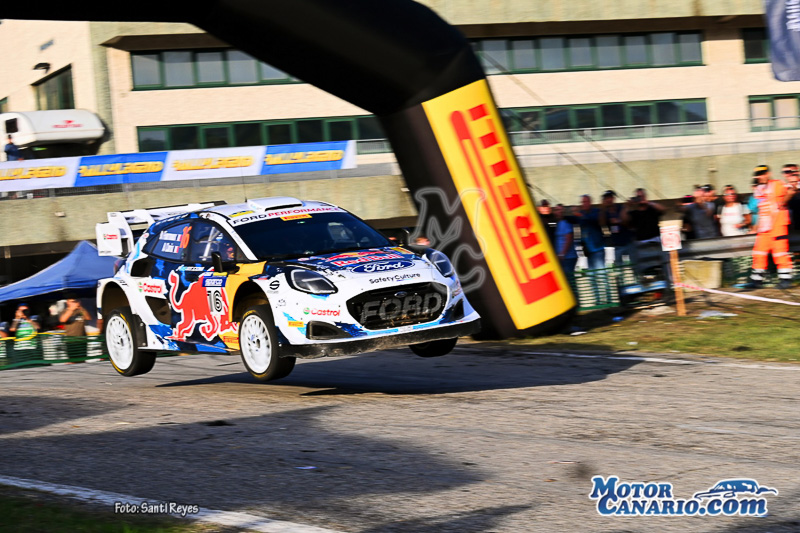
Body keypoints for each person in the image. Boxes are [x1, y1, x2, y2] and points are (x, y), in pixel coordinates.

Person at [747, 165, 793, 289]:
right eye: (758, 175)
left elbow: (791, 191)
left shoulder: (777, 184)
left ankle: (785, 279)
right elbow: (761, 211)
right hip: (764, 228)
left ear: (768, 174)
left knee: (780, 252)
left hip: (778, 226)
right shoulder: (758, 190)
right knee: (758, 253)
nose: (761, 176)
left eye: (763, 174)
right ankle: (756, 281)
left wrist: (782, 202)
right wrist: (755, 227)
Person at [598, 190, 634, 266]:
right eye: (606, 198)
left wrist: (618, 221)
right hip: (617, 244)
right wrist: (602, 209)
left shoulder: (621, 208)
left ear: (613, 198)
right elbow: (602, 223)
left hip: (629, 242)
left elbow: (627, 222)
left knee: (634, 264)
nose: (608, 200)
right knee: (619, 267)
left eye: (610, 197)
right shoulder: (605, 213)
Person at [572, 194, 605, 270]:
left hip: (598, 249)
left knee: (600, 272)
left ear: (590, 202)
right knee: (591, 273)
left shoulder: (596, 212)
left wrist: (579, 214)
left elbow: (591, 220)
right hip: (588, 250)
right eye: (583, 202)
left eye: (586, 201)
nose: (584, 204)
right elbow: (579, 229)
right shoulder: (580, 214)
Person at [553, 203, 577, 288]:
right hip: (564, 258)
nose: (558, 212)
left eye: (559, 210)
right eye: (556, 210)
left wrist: (562, 253)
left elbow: (569, 238)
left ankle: (574, 295)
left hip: (568, 258)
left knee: (569, 281)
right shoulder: (559, 223)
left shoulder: (565, 223)